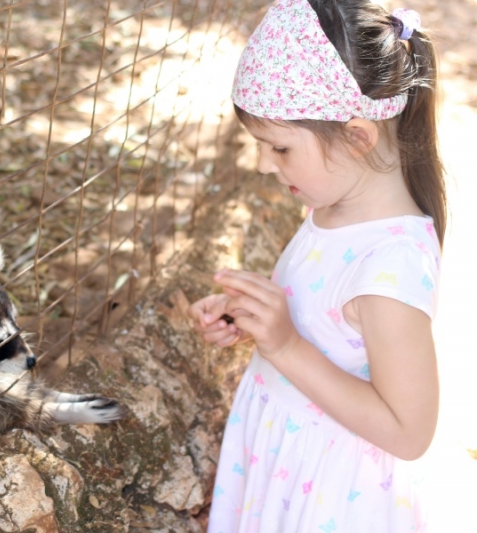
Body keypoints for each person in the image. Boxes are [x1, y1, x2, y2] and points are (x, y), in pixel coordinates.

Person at [188, 0, 445, 531]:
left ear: (356, 136)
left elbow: (409, 431)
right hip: (283, 462)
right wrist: (254, 322)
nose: (262, 165)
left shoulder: (389, 268)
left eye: (278, 148)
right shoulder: (330, 208)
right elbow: (327, 328)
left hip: (331, 497)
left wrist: (285, 346)